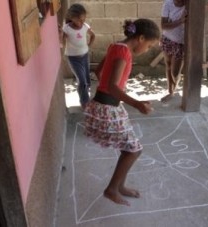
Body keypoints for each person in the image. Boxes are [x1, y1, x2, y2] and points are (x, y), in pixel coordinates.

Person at [84, 19, 160, 206]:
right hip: (107, 109)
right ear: (140, 38)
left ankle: (119, 186)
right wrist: (137, 104)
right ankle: (112, 189)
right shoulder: (124, 52)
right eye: (149, 45)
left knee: (128, 148)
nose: (148, 49)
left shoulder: (115, 46)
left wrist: (109, 96)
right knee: (134, 150)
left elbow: (99, 72)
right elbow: (113, 85)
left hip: (104, 105)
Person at [62, 3, 95, 109]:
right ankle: (84, 101)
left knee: (86, 80)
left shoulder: (85, 26)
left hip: (85, 56)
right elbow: (61, 42)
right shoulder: (66, 29)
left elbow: (93, 35)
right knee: (81, 81)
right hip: (73, 59)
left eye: (83, 19)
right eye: (79, 20)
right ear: (72, 18)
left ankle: (86, 96)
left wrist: (88, 45)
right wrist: (59, 34)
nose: (82, 22)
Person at [160, 0, 187, 103]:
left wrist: (177, 22)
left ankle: (173, 90)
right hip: (167, 39)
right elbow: (163, 25)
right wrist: (180, 21)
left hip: (180, 42)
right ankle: (171, 92)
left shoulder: (188, 5)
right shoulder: (168, 3)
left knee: (175, 72)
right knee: (168, 65)